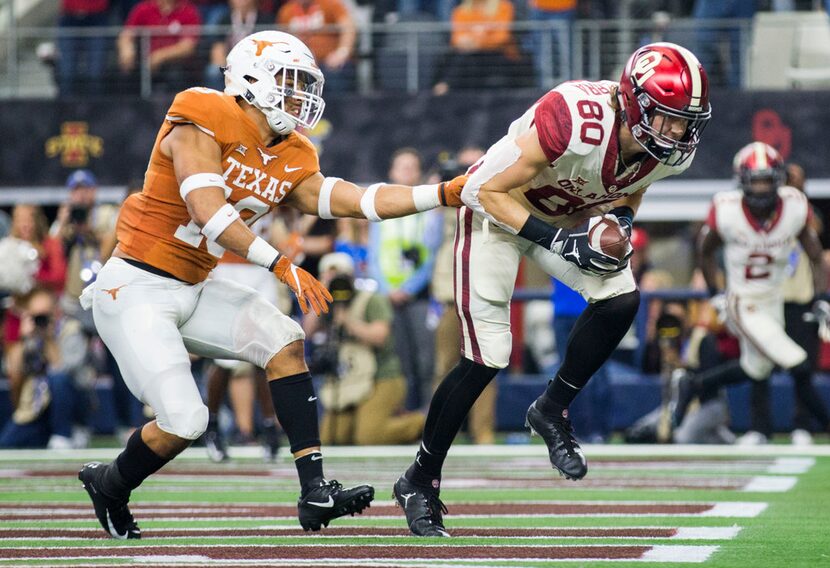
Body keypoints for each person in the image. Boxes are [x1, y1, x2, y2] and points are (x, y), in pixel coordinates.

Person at [76, 29, 466, 539]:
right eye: (290, 80)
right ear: (250, 77)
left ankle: (314, 491)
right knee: (187, 421)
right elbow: (208, 211)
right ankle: (110, 483)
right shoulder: (201, 110)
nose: (300, 93)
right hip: (133, 289)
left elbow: (358, 199)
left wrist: (438, 193)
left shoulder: (292, 151)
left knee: (286, 342)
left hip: (193, 287)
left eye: (306, 82)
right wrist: (282, 265)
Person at [392, 42, 712, 537]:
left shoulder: (666, 153)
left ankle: (551, 407)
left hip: (557, 218)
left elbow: (632, 187)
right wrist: (561, 240)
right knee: (487, 356)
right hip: (492, 214)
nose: (678, 132)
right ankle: (420, 479)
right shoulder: (575, 117)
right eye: (667, 117)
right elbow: (480, 188)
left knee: (621, 296)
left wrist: (619, 222)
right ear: (631, 102)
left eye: (685, 121)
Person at [674, 142, 827, 444]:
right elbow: (704, 251)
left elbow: (815, 254)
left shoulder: (795, 205)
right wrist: (715, 292)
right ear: (741, 180)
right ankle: (822, 424)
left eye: (766, 180)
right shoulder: (726, 209)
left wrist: (822, 297)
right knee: (797, 362)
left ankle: (693, 384)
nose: (760, 188)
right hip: (742, 301)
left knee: (755, 368)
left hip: (773, 299)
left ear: (779, 179)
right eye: (754, 180)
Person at [305, 253, 425, 445]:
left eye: (340, 275)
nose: (337, 281)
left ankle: (422, 423)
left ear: (351, 276)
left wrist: (348, 322)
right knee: (331, 437)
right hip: (349, 379)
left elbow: (380, 337)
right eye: (330, 275)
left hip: (382, 375)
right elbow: (308, 331)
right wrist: (321, 294)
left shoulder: (371, 299)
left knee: (369, 435)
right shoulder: (328, 304)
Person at [367, 148, 443, 410]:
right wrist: (387, 288)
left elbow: (431, 254)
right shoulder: (377, 210)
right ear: (392, 172)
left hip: (418, 296)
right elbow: (373, 255)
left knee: (425, 359)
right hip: (388, 296)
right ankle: (401, 415)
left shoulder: (427, 210)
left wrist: (409, 288)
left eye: (412, 167)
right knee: (397, 361)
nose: (407, 171)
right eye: (402, 166)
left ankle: (425, 417)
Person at [117, 0, 202, 94]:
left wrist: (160, 56)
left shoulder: (188, 11)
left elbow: (188, 47)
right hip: (144, 63)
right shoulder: (144, 8)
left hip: (176, 66)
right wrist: (126, 49)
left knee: (176, 76)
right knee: (126, 72)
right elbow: (127, 35)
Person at [277, 0, 356, 92]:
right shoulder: (287, 10)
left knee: (336, 77)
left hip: (328, 63)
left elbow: (348, 27)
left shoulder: (330, 3)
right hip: (300, 64)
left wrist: (342, 52)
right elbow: (282, 39)